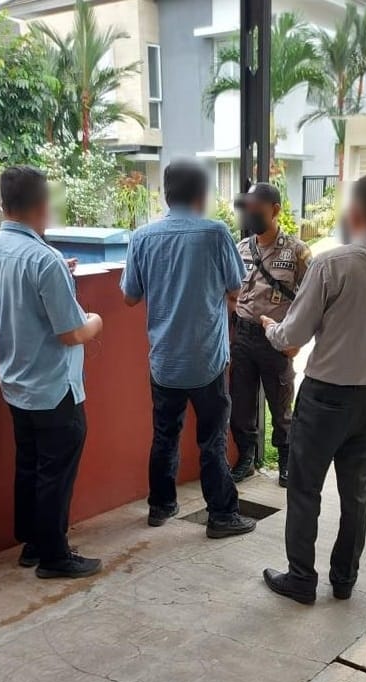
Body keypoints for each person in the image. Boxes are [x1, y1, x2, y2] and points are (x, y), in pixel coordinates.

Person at [260, 173, 366, 604]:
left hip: (325, 399)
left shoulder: (331, 264)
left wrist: (269, 328)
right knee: (357, 494)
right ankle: (344, 580)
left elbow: (292, 335)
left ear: (353, 213)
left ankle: (301, 579)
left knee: (305, 489)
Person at [0, 165, 103, 579]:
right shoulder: (44, 260)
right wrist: (96, 321)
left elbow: (18, 302)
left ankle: (32, 543)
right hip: (53, 386)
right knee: (56, 472)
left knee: (30, 464)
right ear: (43, 206)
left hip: (15, 381)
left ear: (4, 206)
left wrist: (59, 276)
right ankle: (54, 556)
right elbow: (71, 333)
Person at [121, 160, 257, 539]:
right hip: (207, 360)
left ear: (166, 194)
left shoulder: (142, 237)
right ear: (202, 195)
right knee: (212, 440)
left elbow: (130, 296)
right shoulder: (215, 233)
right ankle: (222, 515)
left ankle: (160, 505)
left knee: (164, 434)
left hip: (164, 361)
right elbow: (236, 288)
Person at [229, 183, 312, 487]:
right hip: (242, 338)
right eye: (247, 209)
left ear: (275, 210)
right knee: (241, 404)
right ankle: (246, 459)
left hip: (275, 340)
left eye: (257, 210)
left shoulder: (297, 251)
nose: (250, 215)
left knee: (281, 405)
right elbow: (229, 292)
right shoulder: (240, 249)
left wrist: (296, 340)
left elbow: (312, 300)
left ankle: (286, 462)